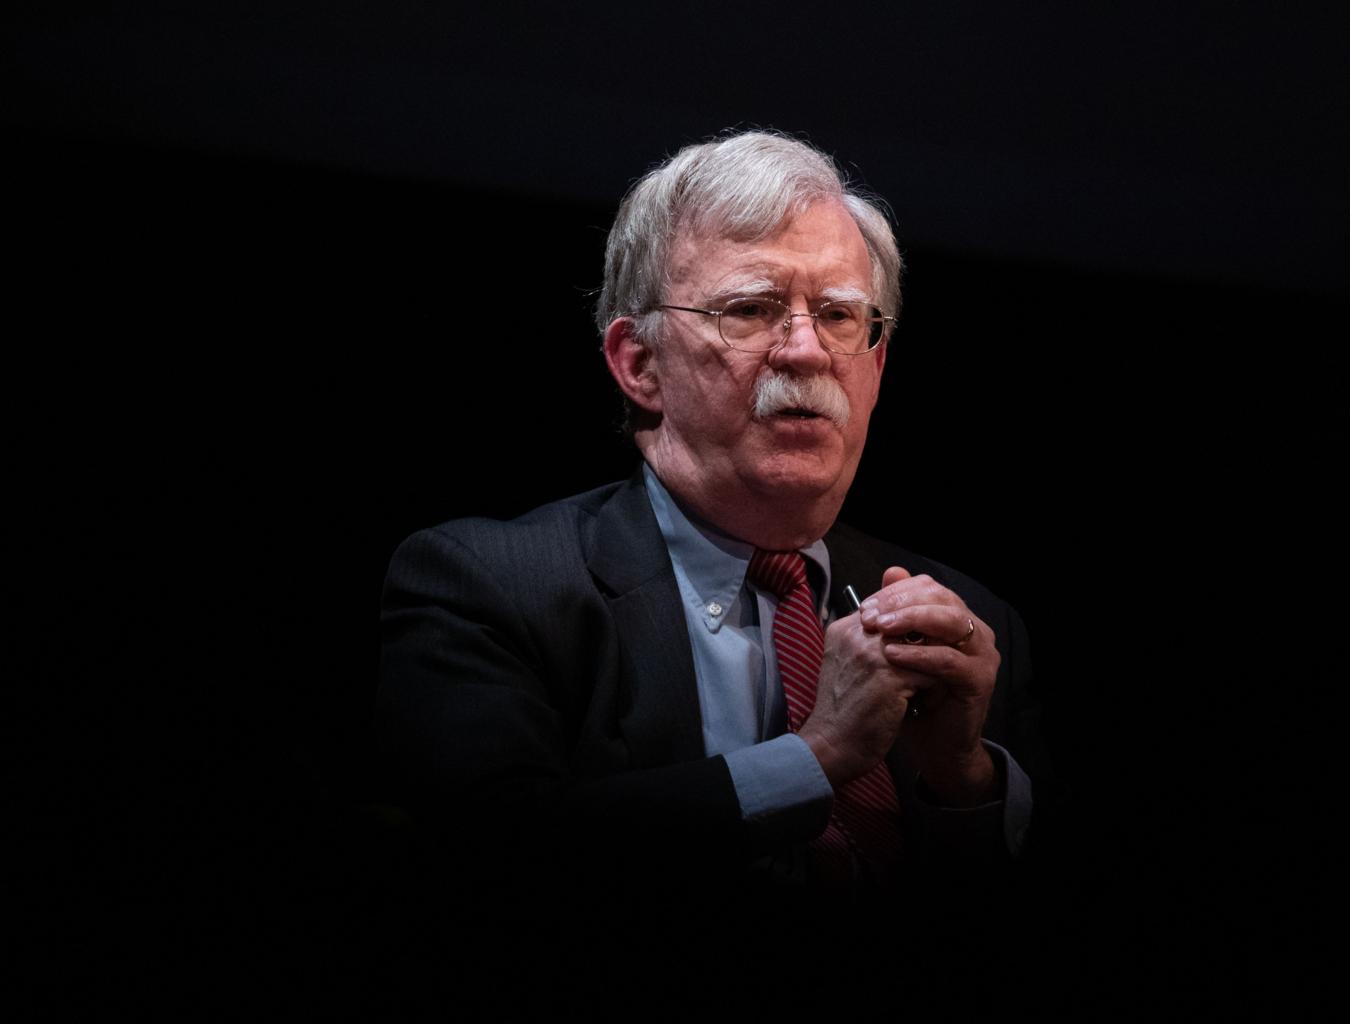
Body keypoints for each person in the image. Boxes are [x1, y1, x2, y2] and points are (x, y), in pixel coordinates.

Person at [377, 132, 1046, 933]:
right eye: (751, 310)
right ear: (639, 364)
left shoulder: (972, 623)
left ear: (876, 367)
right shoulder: (489, 585)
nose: (807, 351)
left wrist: (963, 783)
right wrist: (819, 756)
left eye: (839, 316)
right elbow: (490, 860)